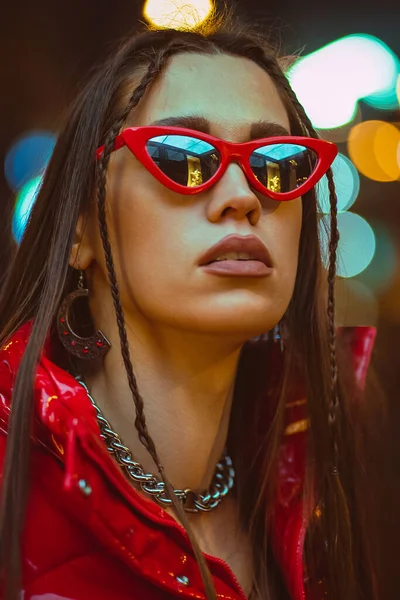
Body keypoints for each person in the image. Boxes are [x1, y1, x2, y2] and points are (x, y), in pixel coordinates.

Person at [0, 12, 379, 600]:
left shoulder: (323, 492)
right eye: (182, 157)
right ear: (81, 232)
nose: (243, 198)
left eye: (277, 165)